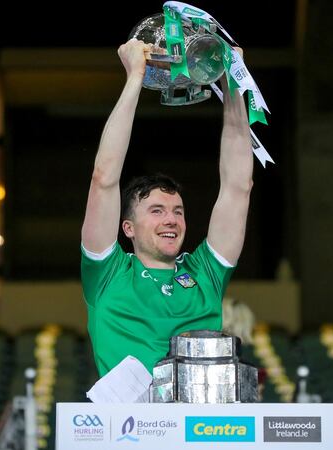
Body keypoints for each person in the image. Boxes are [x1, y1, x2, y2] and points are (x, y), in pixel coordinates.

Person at [80, 39, 253, 377]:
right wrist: (135, 78)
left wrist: (231, 80)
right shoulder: (108, 274)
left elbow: (237, 186)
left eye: (177, 211)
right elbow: (103, 178)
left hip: (201, 425)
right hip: (132, 426)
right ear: (127, 227)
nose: (171, 219)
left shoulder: (206, 273)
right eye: (156, 211)